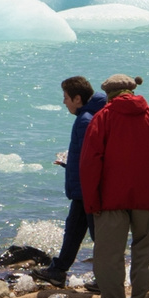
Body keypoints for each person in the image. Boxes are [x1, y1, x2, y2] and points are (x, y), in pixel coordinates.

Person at [80, 74, 149, 298]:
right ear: (132, 92)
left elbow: (90, 164)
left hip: (110, 198)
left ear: (109, 95)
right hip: (146, 197)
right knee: (144, 251)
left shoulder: (102, 118)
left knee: (108, 253)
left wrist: (91, 200)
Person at [41, 76, 106, 287]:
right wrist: (68, 164)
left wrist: (73, 169)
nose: (64, 102)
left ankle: (104, 279)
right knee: (74, 230)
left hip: (86, 187)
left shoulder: (85, 120)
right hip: (83, 187)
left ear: (77, 98)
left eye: (66, 97)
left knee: (97, 236)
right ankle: (58, 270)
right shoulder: (89, 116)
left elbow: (92, 157)